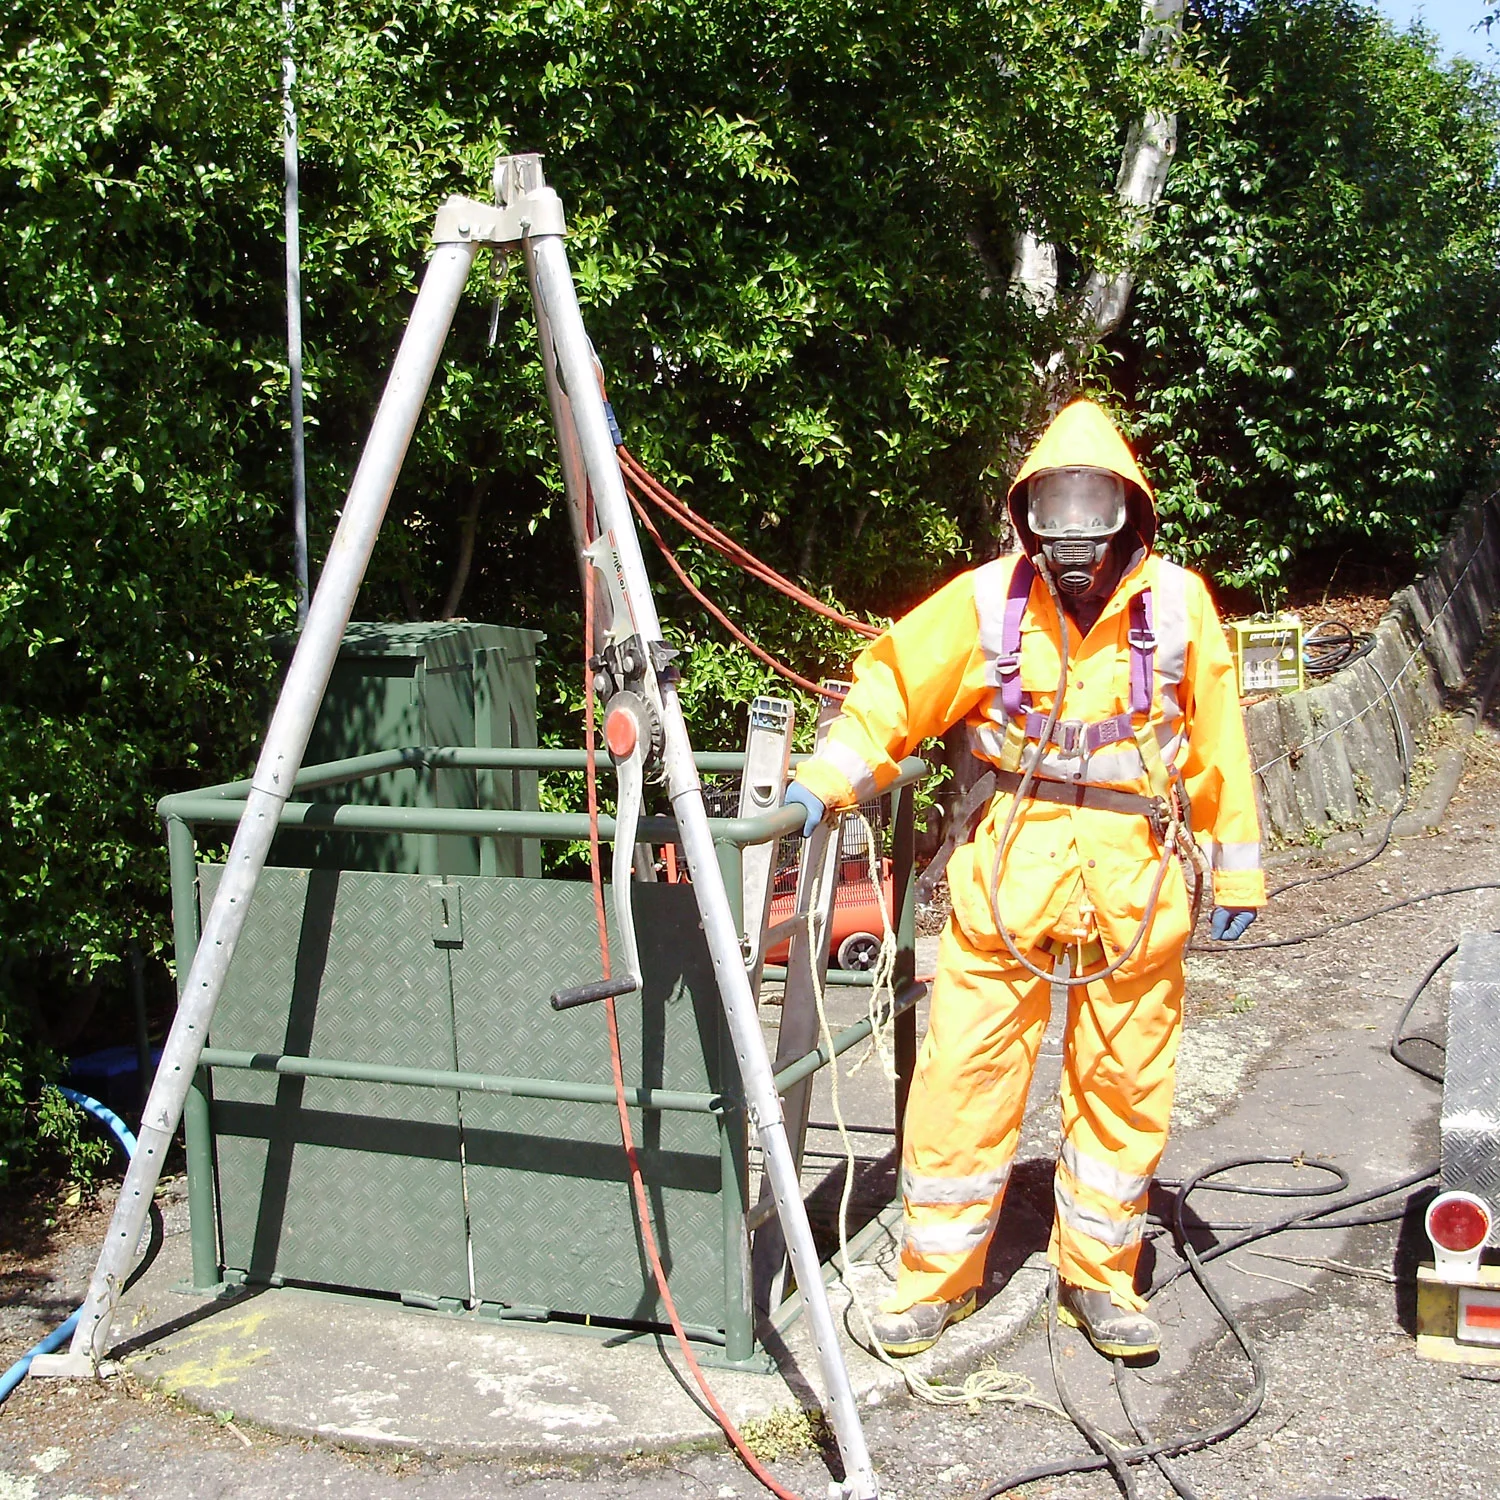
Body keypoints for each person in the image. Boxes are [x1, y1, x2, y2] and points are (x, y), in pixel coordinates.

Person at [784, 398, 1264, 1359]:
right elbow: (892, 688)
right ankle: (935, 1280)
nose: (1076, 533)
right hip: (1005, 878)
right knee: (963, 1073)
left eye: (1096, 507)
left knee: (1124, 1083)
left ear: (1131, 510)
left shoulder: (1178, 607)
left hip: (1133, 885)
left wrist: (1238, 875)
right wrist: (821, 784)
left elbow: (1219, 746)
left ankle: (1101, 1278)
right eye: (1056, 508)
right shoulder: (985, 602)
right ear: (1027, 513)